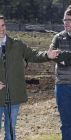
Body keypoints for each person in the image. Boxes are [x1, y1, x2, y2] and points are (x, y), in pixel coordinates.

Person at [0, 13, 60, 140]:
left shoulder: (17, 44)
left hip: (14, 96)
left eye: (3, 25)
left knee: (10, 132)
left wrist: (47, 55)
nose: (1, 29)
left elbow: (33, 55)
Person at [51, 5, 71, 140]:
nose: (66, 22)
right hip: (62, 87)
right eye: (64, 20)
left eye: (69, 20)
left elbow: (61, 58)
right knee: (66, 125)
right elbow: (53, 55)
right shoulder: (58, 37)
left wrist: (65, 59)